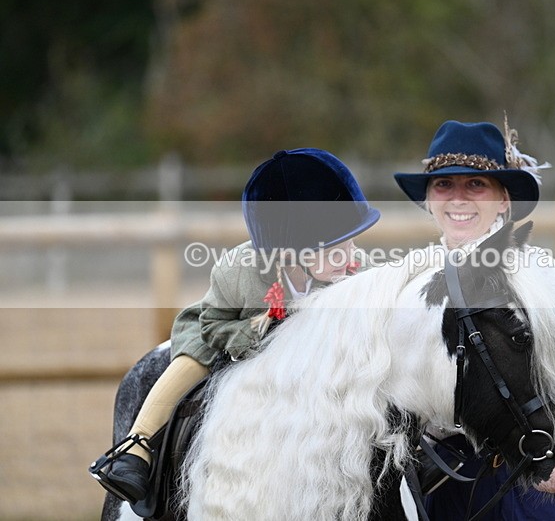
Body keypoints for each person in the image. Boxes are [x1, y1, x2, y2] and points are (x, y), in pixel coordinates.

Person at [92, 148, 380, 504]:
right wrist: (261, 333)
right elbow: (213, 324)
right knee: (189, 362)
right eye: (336, 247)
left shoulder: (355, 271)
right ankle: (135, 448)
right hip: (229, 327)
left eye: (351, 241)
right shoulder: (238, 271)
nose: (352, 257)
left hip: (308, 350)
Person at [394, 120, 555, 520]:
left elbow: (552, 372)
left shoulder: (539, 275)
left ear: (504, 198)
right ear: (428, 200)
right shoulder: (411, 282)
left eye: (476, 185)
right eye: (444, 185)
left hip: (529, 462)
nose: (458, 198)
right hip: (448, 476)